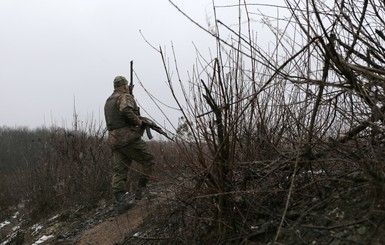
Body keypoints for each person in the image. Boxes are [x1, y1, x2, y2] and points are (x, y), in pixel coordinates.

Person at [104, 75, 155, 214]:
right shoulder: (125, 97)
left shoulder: (109, 100)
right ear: (125, 86)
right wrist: (138, 122)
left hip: (114, 140)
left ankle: (121, 202)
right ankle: (141, 190)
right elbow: (126, 111)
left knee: (119, 171)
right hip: (127, 138)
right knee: (149, 159)